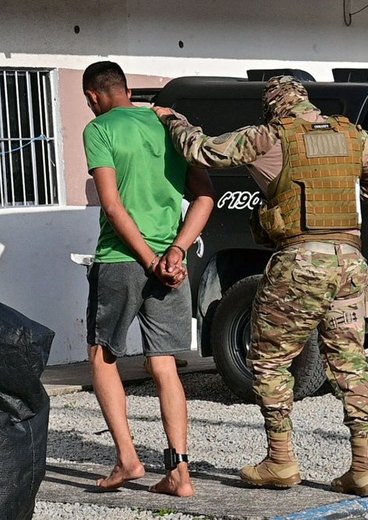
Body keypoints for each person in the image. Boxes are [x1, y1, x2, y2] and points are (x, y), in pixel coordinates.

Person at [153, 75, 368, 496]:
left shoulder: (268, 136)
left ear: (273, 107)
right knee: (351, 362)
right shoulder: (351, 135)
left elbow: (202, 150)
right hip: (351, 263)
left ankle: (281, 461)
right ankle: (363, 469)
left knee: (268, 359)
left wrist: (174, 120)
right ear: (305, 101)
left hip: (300, 261)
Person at [81, 61, 215, 497]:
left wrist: (148, 258)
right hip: (171, 264)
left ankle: (128, 459)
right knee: (165, 365)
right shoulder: (169, 124)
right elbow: (205, 195)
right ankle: (180, 472)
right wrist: (174, 252)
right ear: (126, 89)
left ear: (94, 96)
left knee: (103, 355)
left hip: (121, 259)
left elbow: (113, 206)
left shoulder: (98, 130)